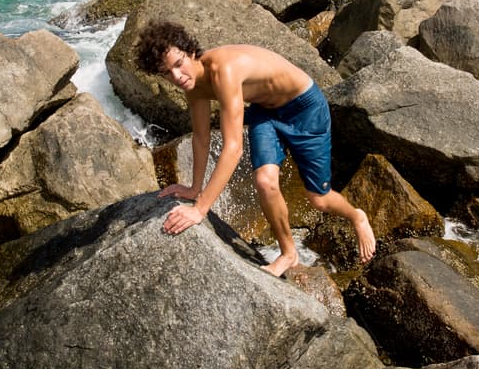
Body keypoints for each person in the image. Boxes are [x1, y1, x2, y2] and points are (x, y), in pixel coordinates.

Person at [135, 21, 376, 276]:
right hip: (266, 112)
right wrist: (194, 188)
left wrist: (200, 209)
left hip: (305, 108)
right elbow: (201, 138)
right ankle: (288, 253)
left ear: (191, 52)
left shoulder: (223, 70)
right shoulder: (194, 87)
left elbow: (233, 148)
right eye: (166, 73)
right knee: (264, 181)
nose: (176, 76)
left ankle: (357, 216)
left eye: (178, 64)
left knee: (319, 199)